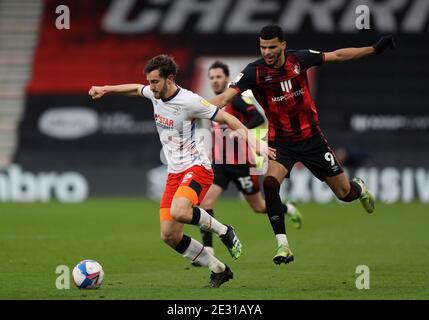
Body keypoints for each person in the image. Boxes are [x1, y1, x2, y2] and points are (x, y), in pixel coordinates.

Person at [210, 25, 395, 265]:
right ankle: (283, 245)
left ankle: (358, 189)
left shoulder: (299, 59)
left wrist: (373, 49)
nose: (267, 52)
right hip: (281, 142)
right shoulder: (253, 72)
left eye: (272, 47)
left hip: (312, 140)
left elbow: (338, 55)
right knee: (269, 182)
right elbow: (224, 98)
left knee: (344, 193)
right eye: (263, 47)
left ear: (283, 45)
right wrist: (192, 108)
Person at [88, 55, 272, 287]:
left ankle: (225, 231)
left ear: (170, 79)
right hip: (175, 173)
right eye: (150, 81)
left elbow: (227, 118)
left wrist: (254, 143)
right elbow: (136, 89)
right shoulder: (155, 94)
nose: (151, 86)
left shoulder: (190, 101)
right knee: (169, 235)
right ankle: (219, 268)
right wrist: (106, 89)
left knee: (180, 210)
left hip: (197, 168)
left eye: (155, 81)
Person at [196, 60, 303, 261]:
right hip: (220, 163)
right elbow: (216, 132)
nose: (215, 81)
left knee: (259, 207)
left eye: (219, 77)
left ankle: (287, 208)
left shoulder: (236, 99)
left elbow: (258, 119)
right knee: (206, 202)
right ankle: (208, 250)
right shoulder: (214, 104)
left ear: (227, 78)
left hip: (242, 164)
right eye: (212, 77)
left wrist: (240, 130)